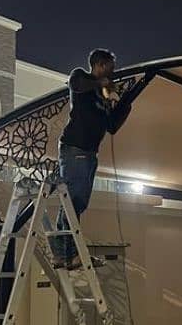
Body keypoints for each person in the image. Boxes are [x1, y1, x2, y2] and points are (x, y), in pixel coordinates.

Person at [50, 49, 133, 269]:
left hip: (88, 152)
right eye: (110, 68)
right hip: (75, 148)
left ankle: (65, 253)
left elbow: (112, 126)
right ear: (99, 65)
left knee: (78, 203)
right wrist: (102, 84)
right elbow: (76, 85)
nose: (113, 73)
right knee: (73, 201)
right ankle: (66, 253)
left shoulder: (100, 93)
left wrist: (125, 104)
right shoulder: (81, 78)